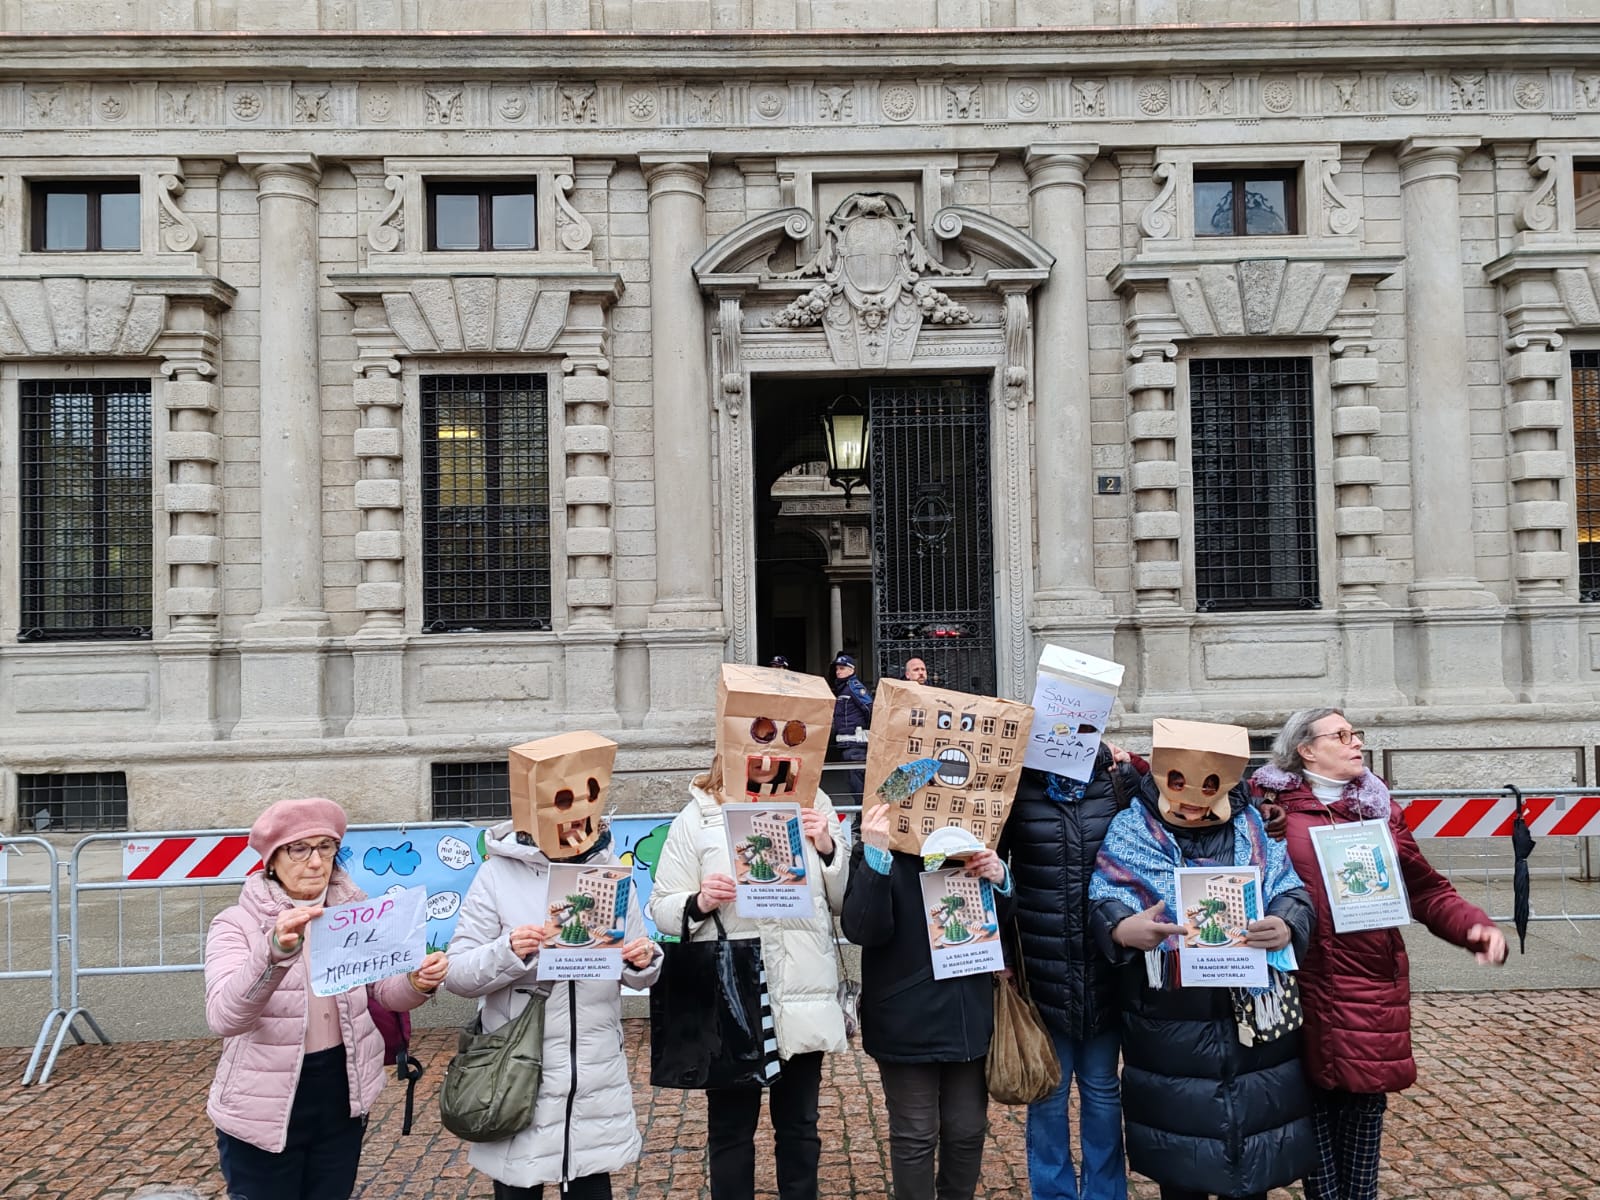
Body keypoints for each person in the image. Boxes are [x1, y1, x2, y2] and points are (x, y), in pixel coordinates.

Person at [1249, 709, 1507, 1200]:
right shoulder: (1266, 809)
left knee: (1365, 1117)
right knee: (1311, 1115)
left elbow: (1427, 889)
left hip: (1368, 985)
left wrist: (1475, 928)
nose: (1356, 743)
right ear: (1306, 749)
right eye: (1341, 735)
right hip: (1298, 983)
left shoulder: (1378, 809)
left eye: (1356, 734)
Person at [1089, 720, 1316, 1200]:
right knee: (1184, 1166)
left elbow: (1288, 887)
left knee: (1253, 1163)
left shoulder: (1253, 826)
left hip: (1253, 1023)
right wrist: (1121, 927)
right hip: (1169, 1023)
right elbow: (1105, 895)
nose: (1192, 801)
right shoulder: (1131, 828)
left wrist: (1287, 922)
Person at [445, 732, 662, 1200]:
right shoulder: (497, 874)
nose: (574, 821)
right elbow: (457, 973)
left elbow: (638, 964)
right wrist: (511, 949)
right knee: (519, 1190)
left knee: (590, 1186)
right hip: (520, 1070)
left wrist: (644, 961)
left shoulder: (609, 870)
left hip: (593, 1069)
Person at [204, 797, 448, 1200]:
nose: (315, 862)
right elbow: (226, 1017)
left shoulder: (354, 914)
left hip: (340, 1089)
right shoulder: (237, 924)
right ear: (273, 860)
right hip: (263, 1100)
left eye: (326, 847)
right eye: (299, 849)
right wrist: (274, 954)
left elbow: (383, 992)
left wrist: (418, 982)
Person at [649, 767, 850, 1200]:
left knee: (799, 1127)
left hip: (802, 990)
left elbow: (843, 902)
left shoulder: (815, 803)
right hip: (731, 992)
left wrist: (829, 848)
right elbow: (662, 907)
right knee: (730, 1130)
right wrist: (699, 902)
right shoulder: (699, 815)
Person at [842, 805, 1014, 1200]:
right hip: (904, 1012)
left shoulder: (974, 841)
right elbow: (863, 927)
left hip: (966, 1010)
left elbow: (999, 921)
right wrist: (875, 859)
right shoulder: (879, 846)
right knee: (916, 1133)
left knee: (967, 1129)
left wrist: (1001, 879)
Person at [1000, 744, 1143, 1200]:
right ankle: (1053, 1192)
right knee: (1049, 1093)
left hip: (1105, 963)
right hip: (1042, 963)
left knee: (1102, 1090)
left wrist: (1138, 764)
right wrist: (1001, 953)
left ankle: (1104, 1193)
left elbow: (1176, 808)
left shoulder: (1118, 781)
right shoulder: (1019, 786)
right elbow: (989, 865)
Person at [829, 652, 873, 804]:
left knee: (857, 784)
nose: (838, 671)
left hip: (856, 744)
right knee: (854, 783)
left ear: (851, 670)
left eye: (842, 668)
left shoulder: (854, 687)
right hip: (848, 745)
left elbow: (869, 708)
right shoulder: (843, 689)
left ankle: (862, 815)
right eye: (837, 669)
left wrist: (866, 727)